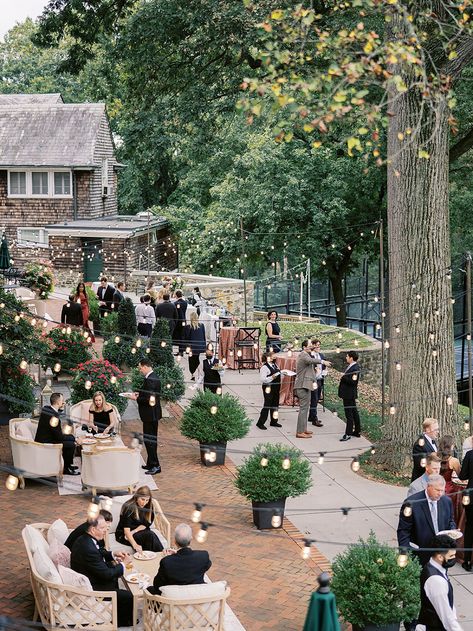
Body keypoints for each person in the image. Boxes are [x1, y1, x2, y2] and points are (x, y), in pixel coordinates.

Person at [70, 515, 134, 627]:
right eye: (103, 528)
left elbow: (99, 553)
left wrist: (113, 554)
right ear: (93, 530)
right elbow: (106, 574)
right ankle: (123, 623)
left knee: (113, 570)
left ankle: (117, 610)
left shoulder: (85, 539)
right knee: (129, 596)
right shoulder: (88, 548)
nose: (106, 531)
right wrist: (124, 564)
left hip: (90, 574)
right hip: (93, 587)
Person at [397, 474, 456, 567]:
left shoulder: (446, 501)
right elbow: (403, 530)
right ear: (428, 487)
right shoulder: (411, 503)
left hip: (441, 553)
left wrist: (452, 531)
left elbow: (450, 521)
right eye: (437, 490)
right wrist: (404, 551)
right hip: (420, 553)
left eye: (442, 491)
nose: (440, 494)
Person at [149, 523, 211, 595]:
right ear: (191, 538)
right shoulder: (203, 556)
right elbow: (206, 565)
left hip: (174, 600)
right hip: (196, 597)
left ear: (175, 541)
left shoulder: (166, 562)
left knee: (149, 589)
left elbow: (157, 585)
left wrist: (169, 558)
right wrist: (176, 554)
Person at [417, 534, 463, 631]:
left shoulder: (433, 566)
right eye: (451, 555)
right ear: (440, 557)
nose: (454, 558)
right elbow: (446, 616)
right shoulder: (436, 581)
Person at [130, 358, 162, 475]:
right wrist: (140, 394)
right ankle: (150, 463)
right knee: (149, 440)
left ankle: (155, 465)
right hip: (151, 414)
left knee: (150, 440)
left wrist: (136, 398)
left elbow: (149, 399)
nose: (140, 370)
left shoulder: (151, 380)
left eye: (140, 368)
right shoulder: (151, 377)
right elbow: (148, 394)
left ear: (145, 366)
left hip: (150, 415)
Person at [35, 392, 79, 476]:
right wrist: (75, 439)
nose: (63, 402)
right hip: (46, 442)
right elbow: (59, 437)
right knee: (71, 444)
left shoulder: (47, 409)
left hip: (47, 437)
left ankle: (68, 465)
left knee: (71, 439)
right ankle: (66, 468)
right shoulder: (53, 416)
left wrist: (72, 437)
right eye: (62, 400)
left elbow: (57, 433)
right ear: (58, 402)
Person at [294, 340, 329, 439]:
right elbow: (311, 361)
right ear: (304, 347)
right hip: (302, 385)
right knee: (303, 409)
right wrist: (322, 361)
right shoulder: (303, 355)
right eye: (310, 346)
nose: (312, 347)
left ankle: (303, 429)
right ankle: (299, 432)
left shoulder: (308, 354)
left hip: (307, 385)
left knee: (305, 409)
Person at [115, 486, 164, 553]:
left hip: (139, 532)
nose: (144, 503)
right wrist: (135, 545)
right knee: (149, 535)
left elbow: (146, 524)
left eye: (147, 500)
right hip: (124, 535)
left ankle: (154, 556)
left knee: (149, 536)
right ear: (137, 497)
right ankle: (162, 554)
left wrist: (135, 531)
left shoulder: (149, 505)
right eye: (142, 499)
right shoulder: (129, 508)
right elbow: (126, 531)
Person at [338, 351, 361, 441]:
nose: (346, 358)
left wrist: (343, 377)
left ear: (351, 358)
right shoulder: (351, 366)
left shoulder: (355, 368)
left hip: (349, 394)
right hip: (348, 393)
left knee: (349, 414)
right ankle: (357, 431)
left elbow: (353, 382)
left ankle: (348, 433)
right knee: (354, 412)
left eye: (347, 356)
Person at [256, 353, 282, 430]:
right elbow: (263, 379)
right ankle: (260, 423)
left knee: (275, 405)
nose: (274, 357)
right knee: (267, 404)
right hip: (268, 387)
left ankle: (274, 421)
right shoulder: (264, 367)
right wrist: (272, 377)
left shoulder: (275, 365)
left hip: (276, 387)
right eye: (272, 356)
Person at [459, 446, 473, 571]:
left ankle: (468, 561)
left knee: (470, 528)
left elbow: (463, 476)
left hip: (471, 497)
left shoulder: (470, 454)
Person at [308, 338, 327, 428]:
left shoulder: (322, 355)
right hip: (313, 380)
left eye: (319, 345)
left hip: (320, 379)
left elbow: (324, 367)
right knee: (314, 398)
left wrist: (324, 372)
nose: (318, 347)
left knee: (317, 398)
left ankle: (311, 416)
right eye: (316, 345)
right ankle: (314, 418)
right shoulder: (311, 356)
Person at [184, 311, 207, 380]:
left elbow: (186, 338)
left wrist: (186, 347)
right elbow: (204, 336)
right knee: (196, 358)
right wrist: (204, 346)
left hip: (192, 347)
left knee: (191, 360)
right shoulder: (202, 325)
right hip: (200, 346)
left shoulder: (188, 327)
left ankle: (193, 373)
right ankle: (198, 373)